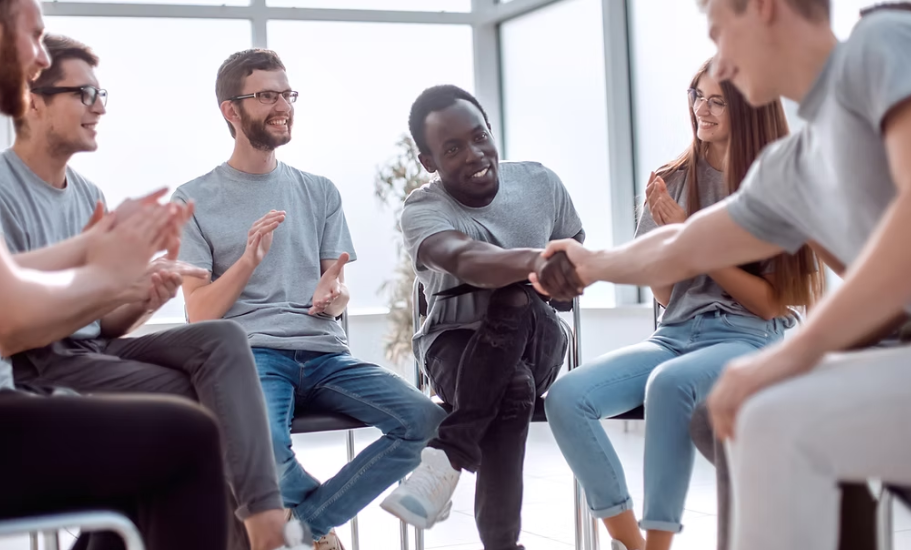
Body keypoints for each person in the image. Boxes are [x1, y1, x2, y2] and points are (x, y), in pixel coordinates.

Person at [531, 1, 911, 549]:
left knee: (773, 416)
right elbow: (688, 242)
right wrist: (595, 264)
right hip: (889, 364)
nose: (721, 65)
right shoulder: (792, 167)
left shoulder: (881, 45)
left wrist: (793, 352)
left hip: (883, 354)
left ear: (763, 9)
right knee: (771, 422)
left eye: (720, 35)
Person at [0, 33, 293, 550]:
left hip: (87, 350)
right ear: (34, 101)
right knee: (195, 419)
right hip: (36, 361)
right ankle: (260, 531)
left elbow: (100, 323)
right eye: (84, 94)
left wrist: (141, 299)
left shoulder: (89, 195)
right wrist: (109, 286)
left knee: (221, 339)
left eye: (101, 94)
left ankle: (265, 516)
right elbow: (17, 328)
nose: (99, 108)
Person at [0, 0, 228, 547]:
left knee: (147, 443)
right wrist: (107, 274)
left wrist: (97, 246)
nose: (40, 58)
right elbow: (7, 322)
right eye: (35, 37)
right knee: (187, 436)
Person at [542, 59, 823, 550]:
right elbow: (668, 295)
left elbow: (769, 306)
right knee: (565, 397)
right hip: (673, 334)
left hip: (748, 336)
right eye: (697, 94)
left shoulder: (773, 184)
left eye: (718, 101)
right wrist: (668, 246)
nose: (702, 109)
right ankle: (633, 542)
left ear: (748, 109)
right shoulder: (671, 179)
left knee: (668, 385)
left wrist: (689, 234)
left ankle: (659, 543)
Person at [172, 48, 446, 550]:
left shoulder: (320, 191)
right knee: (262, 452)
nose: (283, 105)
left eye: (287, 93)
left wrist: (334, 298)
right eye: (267, 95)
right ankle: (310, 530)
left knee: (424, 420)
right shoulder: (191, 201)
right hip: (250, 354)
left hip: (326, 355)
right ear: (231, 111)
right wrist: (249, 261)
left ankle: (305, 528)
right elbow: (198, 312)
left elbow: (335, 290)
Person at [379, 84, 585, 550]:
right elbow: (467, 259)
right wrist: (535, 263)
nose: (475, 155)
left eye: (479, 136)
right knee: (511, 386)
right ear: (428, 161)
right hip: (454, 345)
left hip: (538, 338)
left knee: (513, 296)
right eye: (452, 149)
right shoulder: (423, 208)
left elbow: (571, 271)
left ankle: (448, 456)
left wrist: (558, 275)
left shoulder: (540, 182)